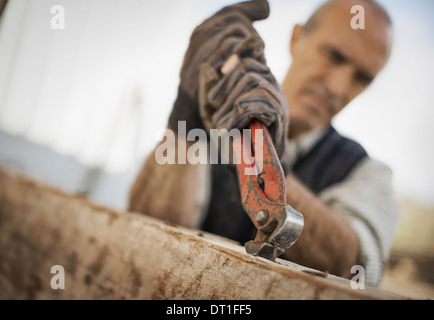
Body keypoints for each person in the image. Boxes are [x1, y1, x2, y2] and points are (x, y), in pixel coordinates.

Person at [129, 0, 399, 287]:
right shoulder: (201, 130)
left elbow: (356, 270)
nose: (339, 88)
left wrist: (263, 151)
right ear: (296, 38)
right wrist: (187, 112)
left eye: (362, 78)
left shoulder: (367, 172)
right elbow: (146, 223)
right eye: (333, 56)